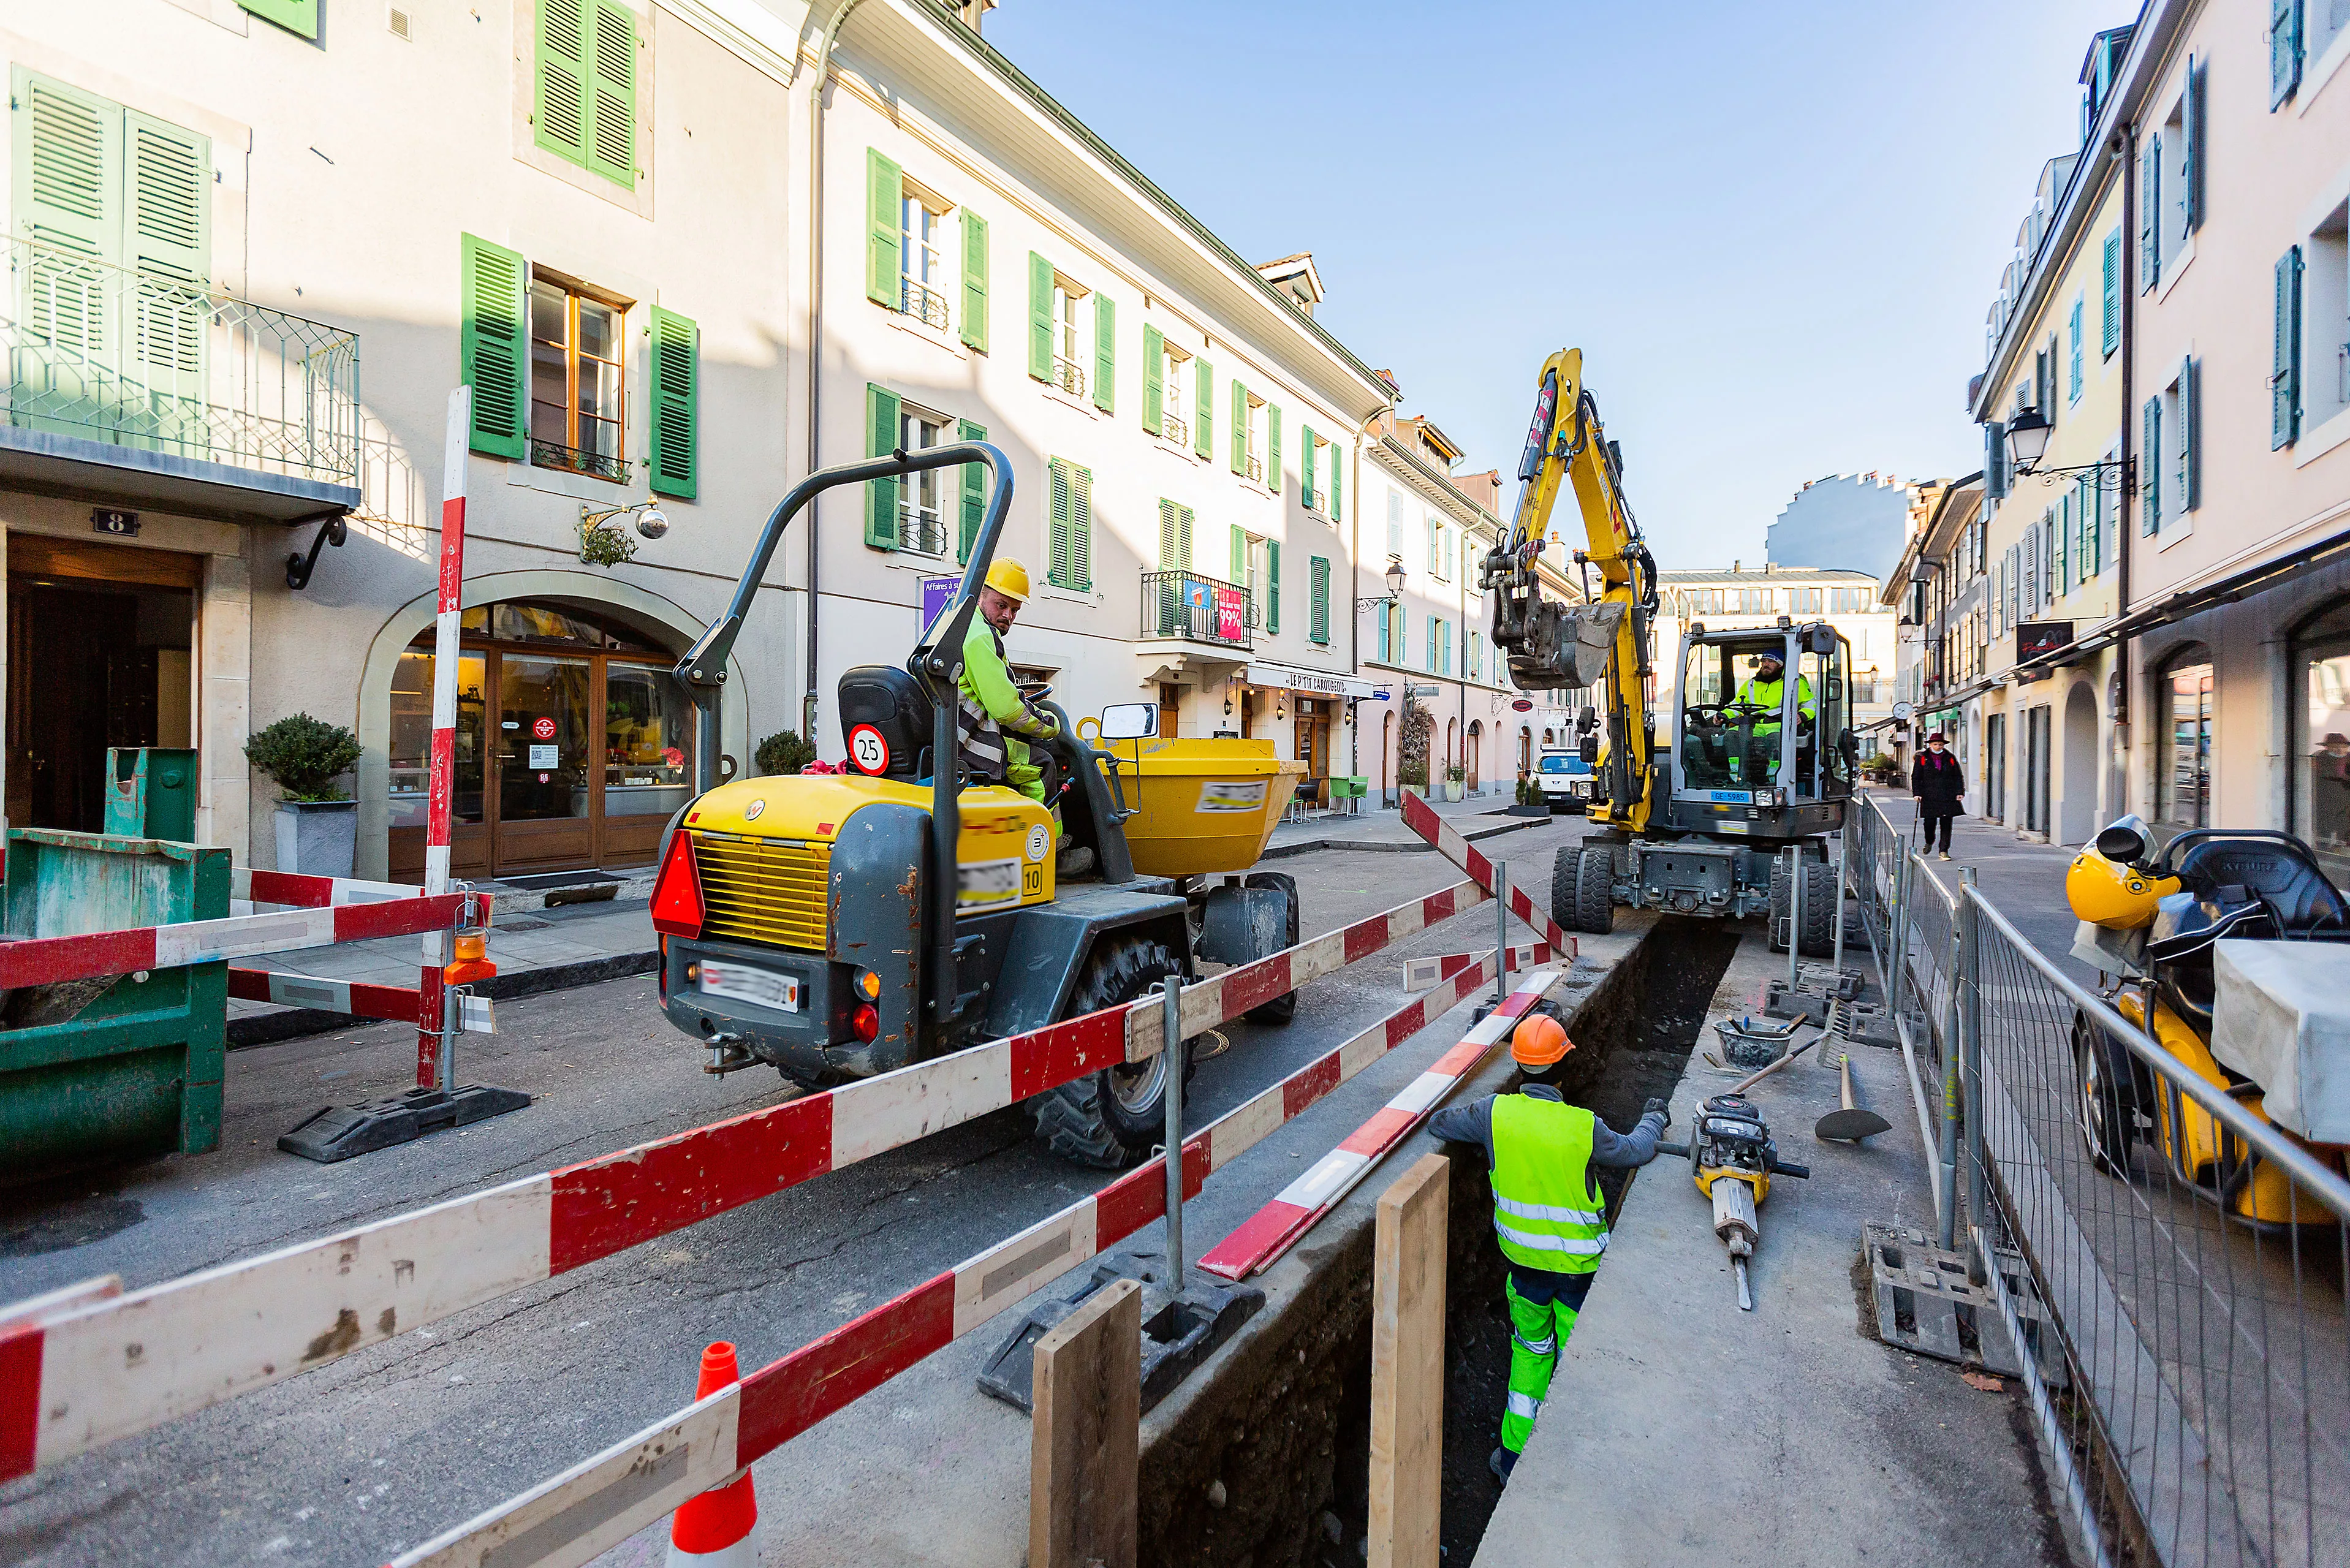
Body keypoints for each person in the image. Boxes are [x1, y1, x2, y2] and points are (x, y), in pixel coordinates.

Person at [1429, 1012, 1668, 1485]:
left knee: (1531, 1355)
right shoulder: (1582, 1126)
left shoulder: (1493, 1114)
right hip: (1579, 1276)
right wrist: (1654, 1118)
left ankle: (1513, 1458)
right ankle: (1578, 1463)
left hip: (1524, 1271)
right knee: (1579, 1365)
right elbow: (1635, 1150)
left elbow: (1440, 1122)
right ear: (1563, 1068)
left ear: (1519, 1068)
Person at [950, 558, 1093, 874]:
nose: (1008, 615)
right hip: (969, 742)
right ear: (981, 594)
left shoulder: (960, 623)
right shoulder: (978, 638)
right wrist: (1049, 727)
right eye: (1002, 605)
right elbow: (1008, 709)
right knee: (1042, 765)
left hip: (954, 735)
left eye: (1015, 610)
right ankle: (1051, 855)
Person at [1732, 652, 1814, 782]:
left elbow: (1810, 704)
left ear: (1780, 665)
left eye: (1771, 661)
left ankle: (1775, 778)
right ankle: (1735, 775)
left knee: (1775, 739)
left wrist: (1802, 715)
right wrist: (1722, 715)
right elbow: (1737, 704)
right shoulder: (1751, 684)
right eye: (1764, 661)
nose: (1766, 664)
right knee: (1731, 735)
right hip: (1755, 725)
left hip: (1778, 724)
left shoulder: (1794, 683)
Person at [1911, 730, 1964, 860]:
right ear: (1930, 745)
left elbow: (1958, 776)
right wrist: (1917, 793)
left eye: (1940, 744)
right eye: (1935, 744)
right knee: (1929, 823)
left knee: (1947, 823)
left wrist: (1960, 792)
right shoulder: (1922, 758)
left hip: (1947, 795)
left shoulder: (1950, 757)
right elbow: (1916, 777)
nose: (1938, 747)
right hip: (1929, 796)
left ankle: (1944, 851)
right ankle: (1929, 841)